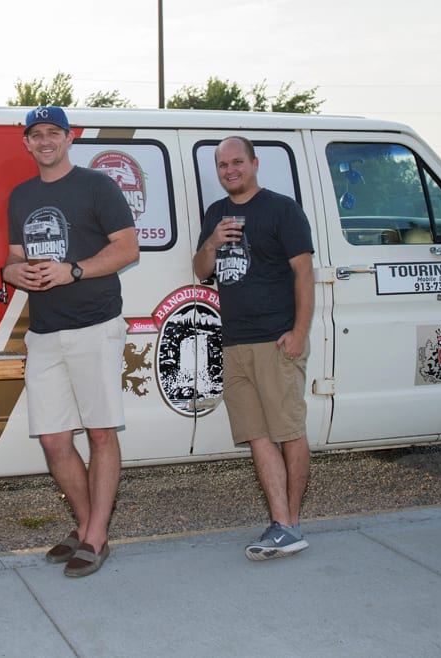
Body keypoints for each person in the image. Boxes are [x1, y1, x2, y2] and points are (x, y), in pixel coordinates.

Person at [3, 106, 139, 578]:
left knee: (101, 433)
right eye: (36, 134)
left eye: (53, 133)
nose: (45, 141)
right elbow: (13, 258)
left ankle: (96, 537)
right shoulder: (20, 197)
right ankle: (85, 526)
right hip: (44, 332)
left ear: (70, 137)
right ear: (26, 141)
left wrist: (74, 270)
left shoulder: (97, 185)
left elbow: (127, 248)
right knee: (54, 439)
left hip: (94, 326)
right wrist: (12, 272)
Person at [193, 136, 315, 561]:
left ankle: (292, 522)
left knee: (288, 433)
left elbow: (304, 274)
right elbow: (200, 270)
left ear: (254, 163)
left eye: (237, 162)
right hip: (234, 342)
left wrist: (299, 332)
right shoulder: (216, 213)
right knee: (258, 437)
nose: (230, 170)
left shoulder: (282, 209)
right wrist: (211, 242)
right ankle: (280, 525)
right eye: (223, 165)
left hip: (275, 339)